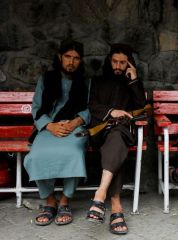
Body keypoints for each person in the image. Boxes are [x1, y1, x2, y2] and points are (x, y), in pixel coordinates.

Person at [24, 39, 90, 226]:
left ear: (81, 61)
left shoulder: (85, 83)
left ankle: (64, 201)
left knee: (73, 153)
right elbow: (37, 108)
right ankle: (50, 200)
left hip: (74, 128)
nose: (71, 62)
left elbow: (89, 110)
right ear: (60, 57)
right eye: (68, 57)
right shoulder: (46, 79)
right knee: (36, 155)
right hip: (48, 128)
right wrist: (49, 125)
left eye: (76, 58)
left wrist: (76, 121)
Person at [86, 43, 146, 235]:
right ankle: (114, 207)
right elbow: (92, 106)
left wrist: (134, 80)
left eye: (122, 63)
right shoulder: (98, 80)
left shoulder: (132, 82)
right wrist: (112, 111)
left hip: (122, 131)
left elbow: (141, 108)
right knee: (115, 144)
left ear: (129, 64)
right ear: (109, 61)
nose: (118, 66)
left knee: (117, 139)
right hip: (100, 130)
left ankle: (103, 197)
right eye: (115, 62)